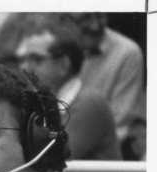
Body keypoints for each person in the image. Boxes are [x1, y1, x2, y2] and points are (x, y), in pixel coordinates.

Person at [15, 20, 128, 172]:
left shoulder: (89, 103)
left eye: (36, 59)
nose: (24, 68)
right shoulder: (39, 102)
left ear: (63, 65)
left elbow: (49, 161)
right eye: (22, 59)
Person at [61, 13, 145, 143]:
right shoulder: (54, 49)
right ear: (62, 20)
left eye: (99, 16)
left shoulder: (127, 52)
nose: (95, 26)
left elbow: (118, 120)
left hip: (102, 144)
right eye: (85, 19)